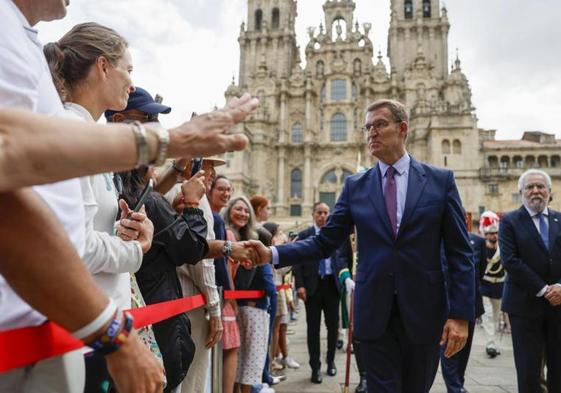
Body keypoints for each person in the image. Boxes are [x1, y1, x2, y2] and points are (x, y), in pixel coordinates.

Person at [248, 99, 474, 392]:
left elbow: (460, 253)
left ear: (403, 128)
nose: (372, 133)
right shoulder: (356, 185)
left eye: (380, 125)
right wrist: (273, 253)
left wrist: (461, 316)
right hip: (373, 315)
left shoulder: (439, 181)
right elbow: (325, 241)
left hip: (424, 313)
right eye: (367, 127)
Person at [43, 22, 163, 392]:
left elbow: (80, 229)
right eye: (128, 69)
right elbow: (74, 248)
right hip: (83, 338)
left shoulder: (82, 133)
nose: (131, 81)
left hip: (92, 331)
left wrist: (126, 229)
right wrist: (134, 248)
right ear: (103, 67)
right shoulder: (72, 134)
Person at [500, 169, 561, 392]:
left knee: (558, 366)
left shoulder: (559, 220)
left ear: (549, 191)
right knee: (528, 369)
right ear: (521, 192)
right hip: (524, 305)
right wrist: (545, 289)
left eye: (540, 186)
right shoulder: (510, 222)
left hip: (558, 306)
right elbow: (511, 261)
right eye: (530, 187)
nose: (535, 191)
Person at [291, 202, 354, 384]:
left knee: (333, 327)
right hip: (312, 287)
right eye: (319, 212)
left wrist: (345, 281)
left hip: (332, 287)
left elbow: (347, 259)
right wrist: (300, 285)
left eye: (326, 213)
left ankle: (331, 362)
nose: (323, 216)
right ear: (313, 214)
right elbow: (298, 262)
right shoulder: (305, 235)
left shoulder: (337, 236)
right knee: (313, 330)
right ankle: (315, 367)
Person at [224, 196, 276, 393]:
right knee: (244, 358)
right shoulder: (228, 236)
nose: (243, 214)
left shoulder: (251, 236)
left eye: (246, 211)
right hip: (239, 305)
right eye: (238, 209)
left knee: (243, 358)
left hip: (244, 303)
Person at [440, 228, 486, 393]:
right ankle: (454, 388)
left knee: (464, 349)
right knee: (448, 349)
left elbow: (479, 271)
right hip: (444, 305)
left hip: (470, 303)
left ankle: (459, 383)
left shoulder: (477, 241)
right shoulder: (436, 240)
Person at [478, 211, 506, 358]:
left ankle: (493, 342)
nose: (494, 236)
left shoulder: (502, 248)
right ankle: (490, 344)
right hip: (485, 285)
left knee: (495, 316)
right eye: (491, 233)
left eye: (496, 232)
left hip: (499, 286)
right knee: (487, 315)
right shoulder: (481, 247)